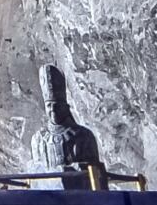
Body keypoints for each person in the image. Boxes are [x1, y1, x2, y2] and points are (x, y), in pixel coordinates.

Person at [42, 63, 111, 192]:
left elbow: (97, 173)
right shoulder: (38, 140)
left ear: (65, 107)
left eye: (57, 105)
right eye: (49, 106)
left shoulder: (83, 135)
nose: (53, 110)